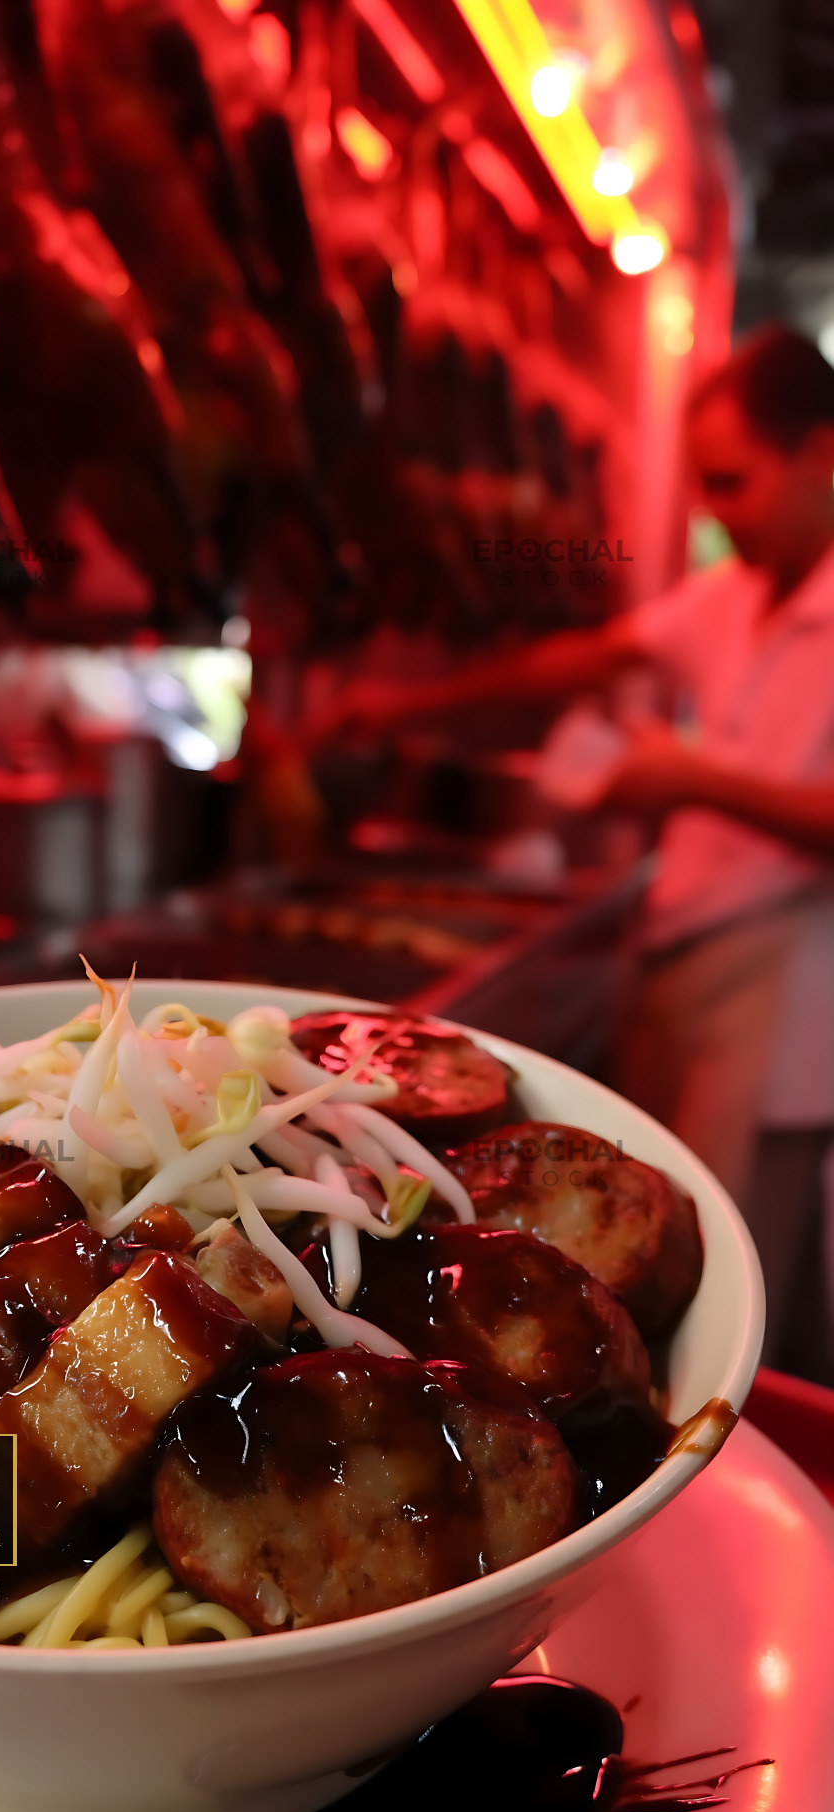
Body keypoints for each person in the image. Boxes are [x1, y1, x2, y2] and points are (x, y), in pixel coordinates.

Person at [316, 324, 834, 1377]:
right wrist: (401, 708)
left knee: (732, 1286)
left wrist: (692, 780)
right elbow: (583, 659)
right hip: (684, 960)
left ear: (821, 454)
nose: (713, 512)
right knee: (652, 1245)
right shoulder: (735, 593)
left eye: (732, 482)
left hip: (786, 994)